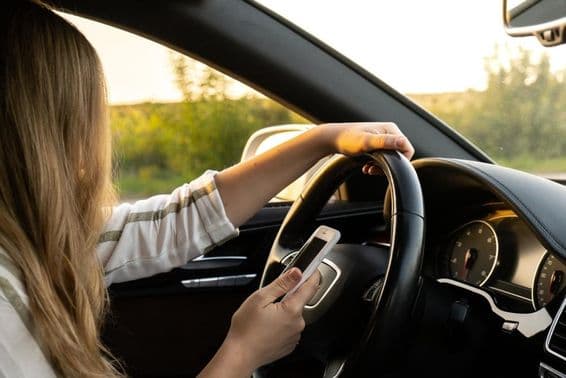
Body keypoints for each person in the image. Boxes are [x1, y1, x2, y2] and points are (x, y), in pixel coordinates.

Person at [0, 1, 415, 377]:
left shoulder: (38, 239)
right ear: (46, 135)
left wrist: (321, 140)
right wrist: (243, 352)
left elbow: (179, 221)